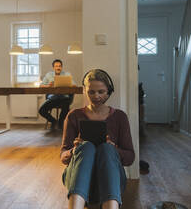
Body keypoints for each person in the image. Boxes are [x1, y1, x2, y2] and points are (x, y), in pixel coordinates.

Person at [60, 69, 135, 209]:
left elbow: (130, 157)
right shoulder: (73, 116)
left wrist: (114, 149)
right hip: (78, 181)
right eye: (91, 92)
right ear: (85, 91)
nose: (96, 96)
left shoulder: (120, 117)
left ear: (109, 91)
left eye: (101, 92)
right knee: (86, 146)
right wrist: (74, 150)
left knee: (106, 148)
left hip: (109, 181)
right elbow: (63, 156)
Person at [39, 59, 74, 130]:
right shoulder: (49, 75)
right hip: (52, 98)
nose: (58, 67)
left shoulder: (67, 74)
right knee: (41, 110)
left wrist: (68, 85)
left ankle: (61, 123)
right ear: (53, 67)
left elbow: (74, 85)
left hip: (64, 98)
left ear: (62, 67)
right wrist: (48, 86)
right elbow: (41, 85)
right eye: (56, 66)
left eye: (60, 66)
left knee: (66, 105)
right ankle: (54, 121)